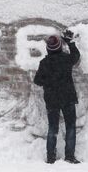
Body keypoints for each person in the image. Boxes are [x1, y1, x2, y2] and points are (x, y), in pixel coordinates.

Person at [32, 30, 82, 164]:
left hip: (52, 99)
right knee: (70, 126)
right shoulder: (66, 59)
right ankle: (70, 156)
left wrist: (48, 81)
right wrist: (69, 42)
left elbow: (37, 81)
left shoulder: (44, 63)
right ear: (60, 47)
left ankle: (50, 157)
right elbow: (76, 56)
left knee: (53, 128)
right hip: (67, 97)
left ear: (48, 49)